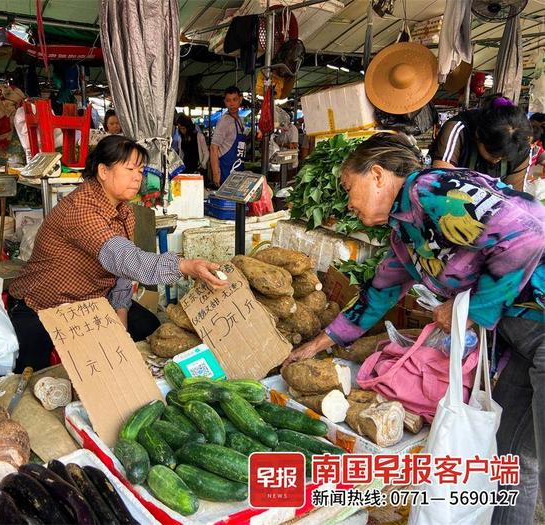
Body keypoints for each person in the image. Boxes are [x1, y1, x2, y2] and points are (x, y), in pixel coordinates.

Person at [283, 133, 545, 524]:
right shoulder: (406, 233)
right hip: (519, 341)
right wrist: (319, 343)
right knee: (510, 458)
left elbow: (530, 231)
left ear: (375, 175)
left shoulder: (429, 190)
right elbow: (380, 292)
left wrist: (471, 308)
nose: (348, 203)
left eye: (348, 188)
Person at [8, 135, 228, 372]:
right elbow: (124, 258)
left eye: (141, 170)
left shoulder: (124, 211)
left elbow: (121, 271)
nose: (138, 177)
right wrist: (184, 265)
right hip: (44, 306)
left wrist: (121, 311)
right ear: (103, 171)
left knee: (148, 326)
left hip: (92, 302)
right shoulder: (81, 209)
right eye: (130, 168)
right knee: (36, 373)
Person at [430, 95, 533, 191]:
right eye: (492, 155)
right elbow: (441, 184)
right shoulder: (458, 130)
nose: (496, 161)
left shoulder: (520, 146)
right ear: (478, 134)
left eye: (504, 157)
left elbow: (513, 197)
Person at [210, 86, 246, 187]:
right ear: (225, 102)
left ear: (240, 99)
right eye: (228, 100)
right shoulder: (224, 121)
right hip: (226, 171)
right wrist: (216, 173)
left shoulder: (239, 120)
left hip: (238, 170)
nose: (232, 104)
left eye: (234, 99)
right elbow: (213, 148)